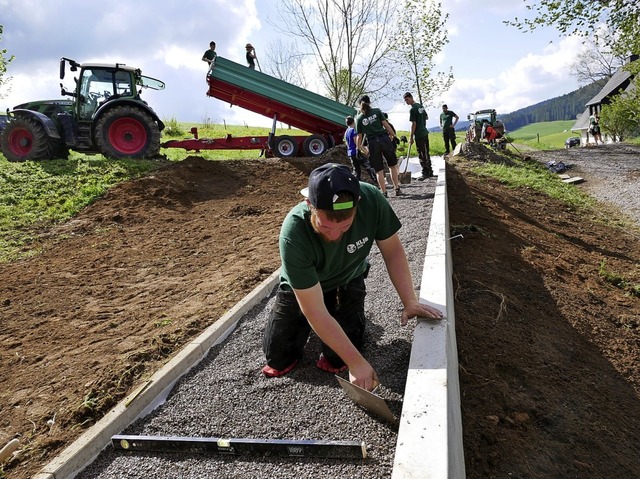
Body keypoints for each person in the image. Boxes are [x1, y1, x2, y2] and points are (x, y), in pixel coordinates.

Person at [261, 163, 443, 390]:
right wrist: (357, 363)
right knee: (278, 359)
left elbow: (393, 251)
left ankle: (341, 319)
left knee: (337, 359)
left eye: (345, 227)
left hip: (346, 280)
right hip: (304, 289)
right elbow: (314, 309)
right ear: (310, 205)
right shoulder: (294, 232)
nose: (335, 235)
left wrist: (410, 301)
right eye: (325, 227)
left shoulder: (372, 200)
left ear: (357, 205)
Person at [354, 95, 402, 197]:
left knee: (378, 169)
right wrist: (394, 135)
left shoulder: (359, 118)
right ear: (370, 102)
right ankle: (397, 188)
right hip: (384, 139)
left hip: (372, 143)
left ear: (359, 105)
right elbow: (386, 125)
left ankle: (384, 192)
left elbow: (359, 136)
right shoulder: (376, 111)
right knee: (392, 165)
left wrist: (358, 148)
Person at [403, 92, 434, 180]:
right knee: (426, 152)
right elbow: (426, 117)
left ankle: (425, 172)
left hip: (419, 134)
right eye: (405, 100)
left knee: (421, 153)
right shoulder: (420, 106)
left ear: (411, 97)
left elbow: (413, 124)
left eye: (407, 99)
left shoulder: (413, 109)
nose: (406, 102)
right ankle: (430, 171)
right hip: (424, 132)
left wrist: (411, 136)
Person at [345, 116, 376, 183]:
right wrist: (365, 151)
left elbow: (347, 143)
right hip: (356, 152)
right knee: (368, 166)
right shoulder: (353, 130)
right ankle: (376, 180)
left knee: (356, 169)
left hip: (350, 152)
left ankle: (356, 182)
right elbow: (357, 142)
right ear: (353, 122)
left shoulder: (346, 131)